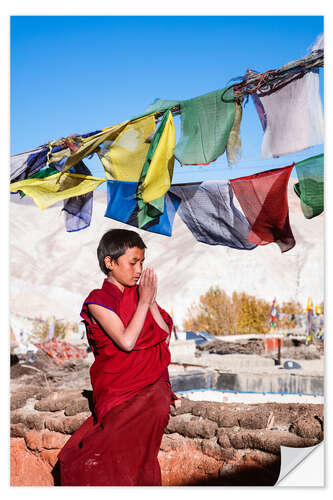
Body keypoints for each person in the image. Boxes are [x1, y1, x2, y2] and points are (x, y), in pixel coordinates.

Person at [58, 229, 176, 486]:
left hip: (152, 386)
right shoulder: (97, 301)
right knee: (80, 458)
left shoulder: (140, 295)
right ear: (109, 263)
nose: (139, 270)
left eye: (142, 262)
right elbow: (126, 341)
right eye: (133, 262)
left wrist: (151, 301)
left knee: (154, 411)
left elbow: (164, 335)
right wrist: (144, 303)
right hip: (117, 390)